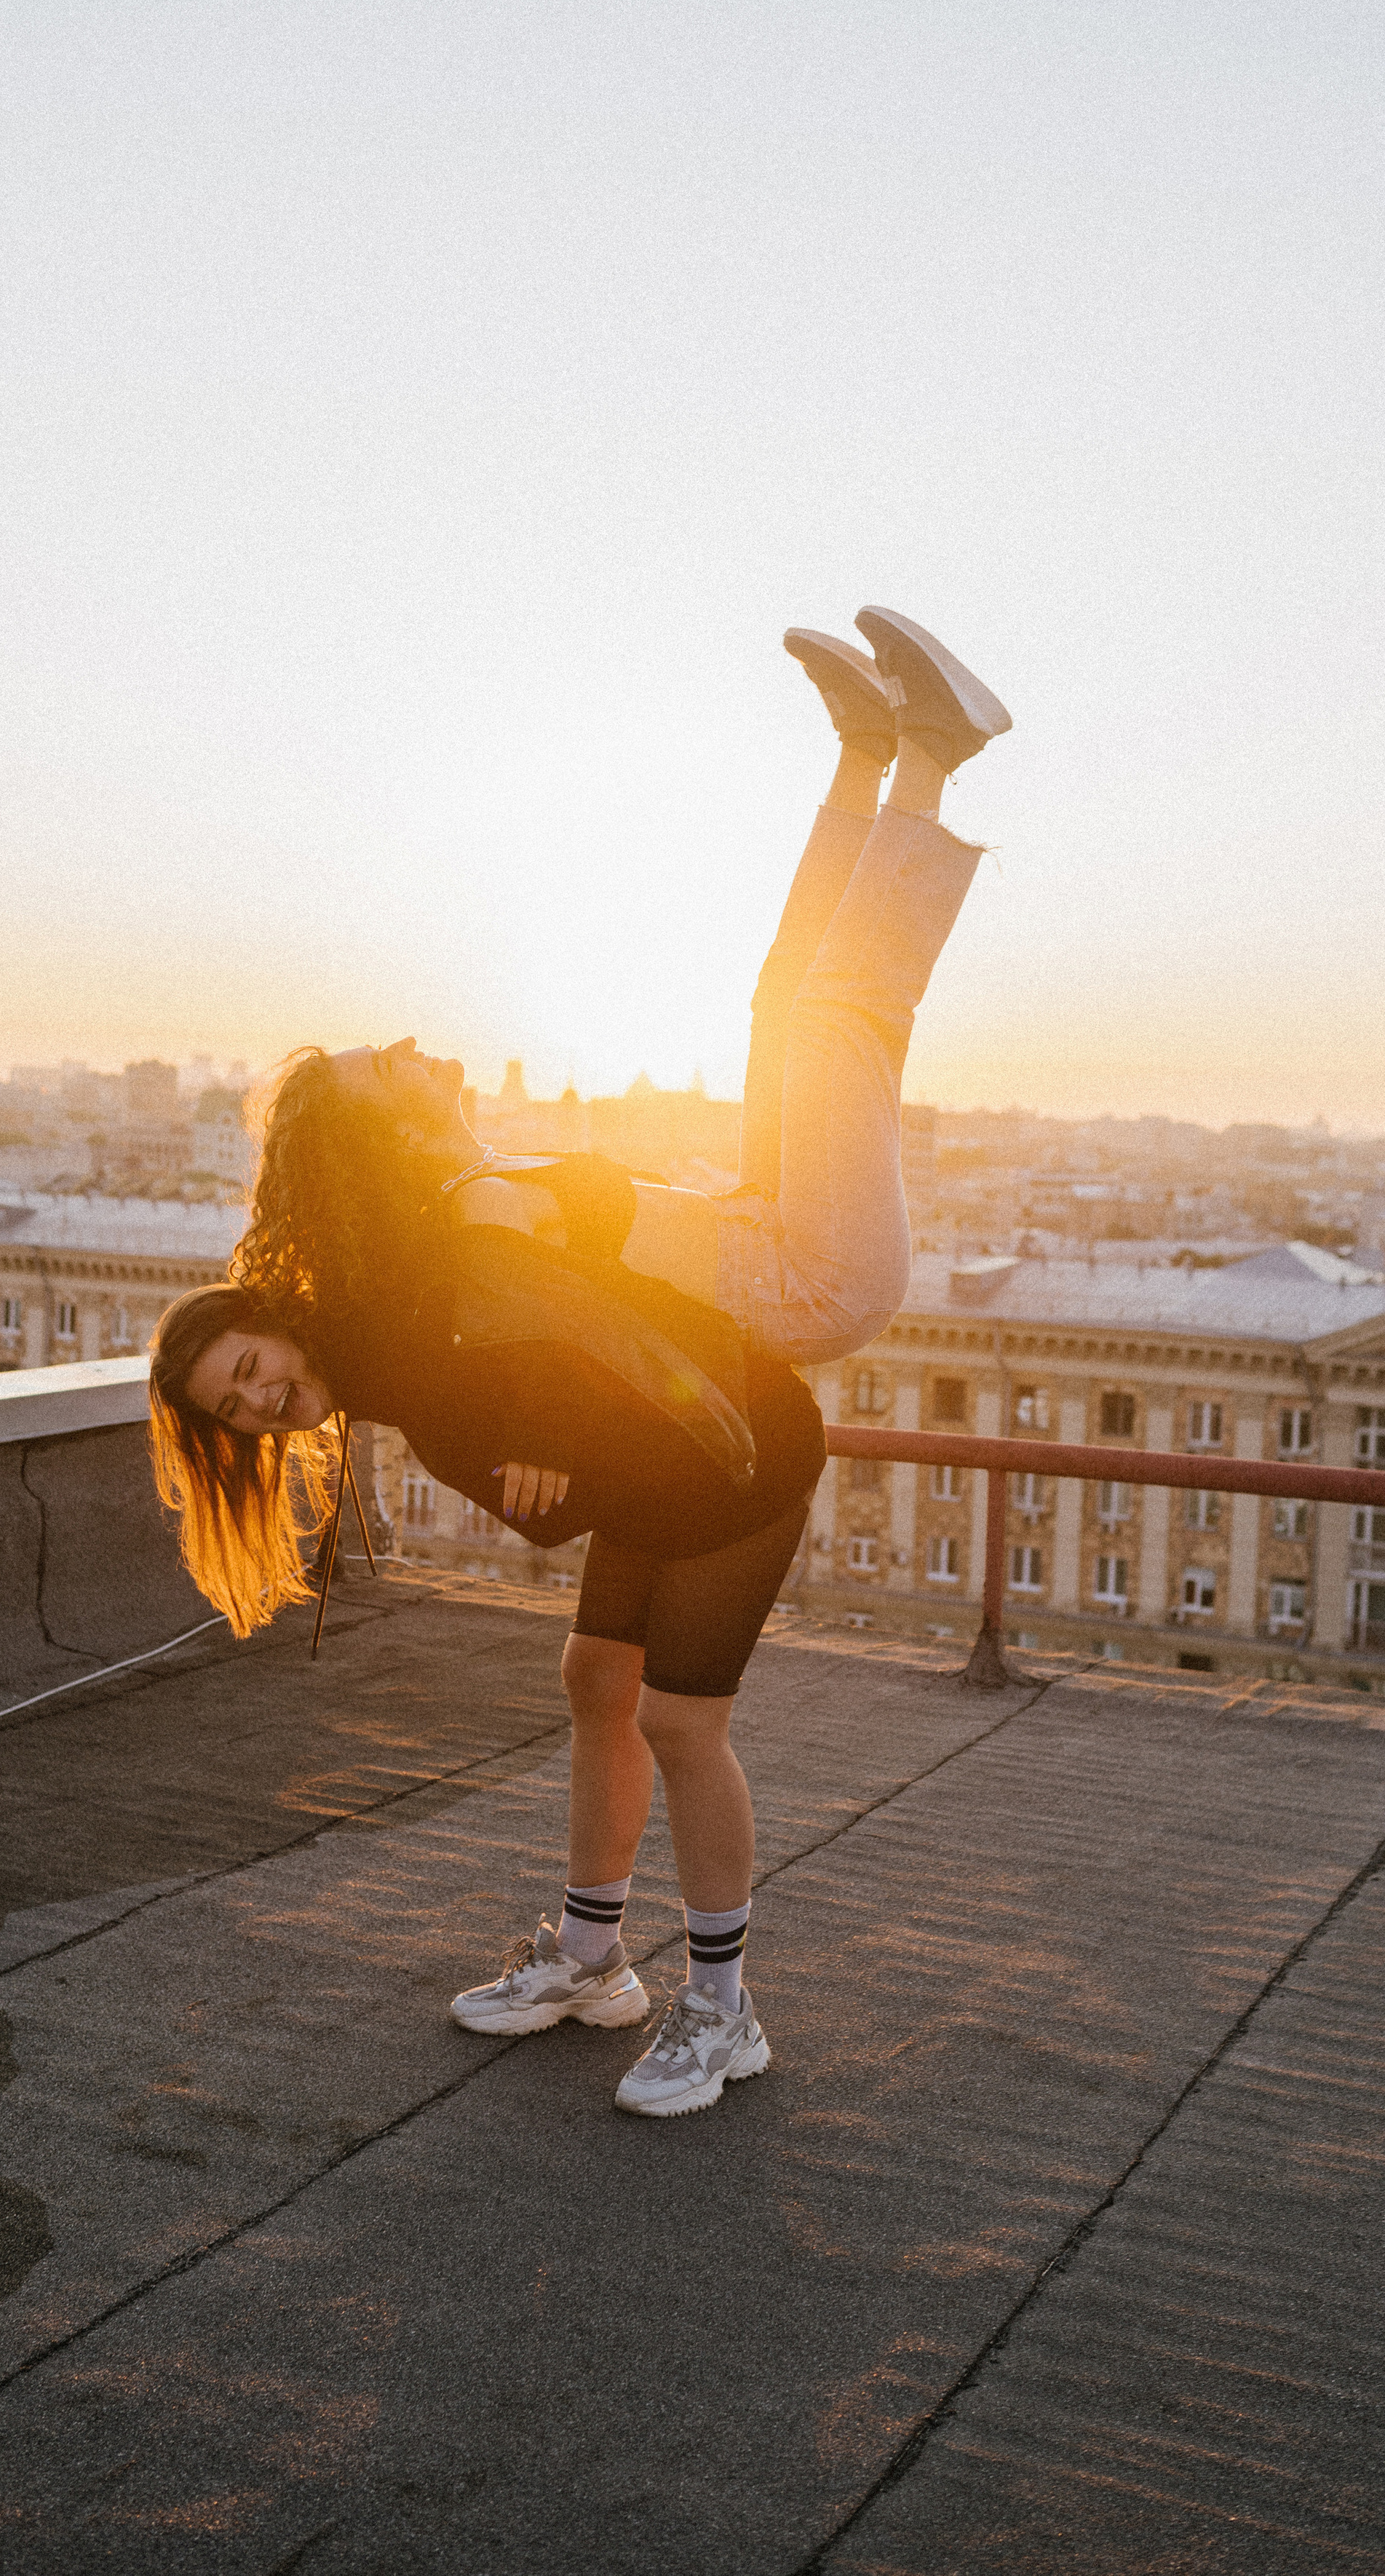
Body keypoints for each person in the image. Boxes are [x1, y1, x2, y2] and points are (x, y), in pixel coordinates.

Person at [148, 606, 1009, 2119]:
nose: (420, 1050)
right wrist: (546, 1409)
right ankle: (609, 1964)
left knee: (798, 1016)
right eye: (245, 1407)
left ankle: (885, 756)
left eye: (251, 1373)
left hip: (754, 1344)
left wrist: (549, 1398)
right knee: (603, 1683)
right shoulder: (415, 1279)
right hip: (783, 1294)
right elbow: (531, 1424)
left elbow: (544, 1358)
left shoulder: (416, 1261)